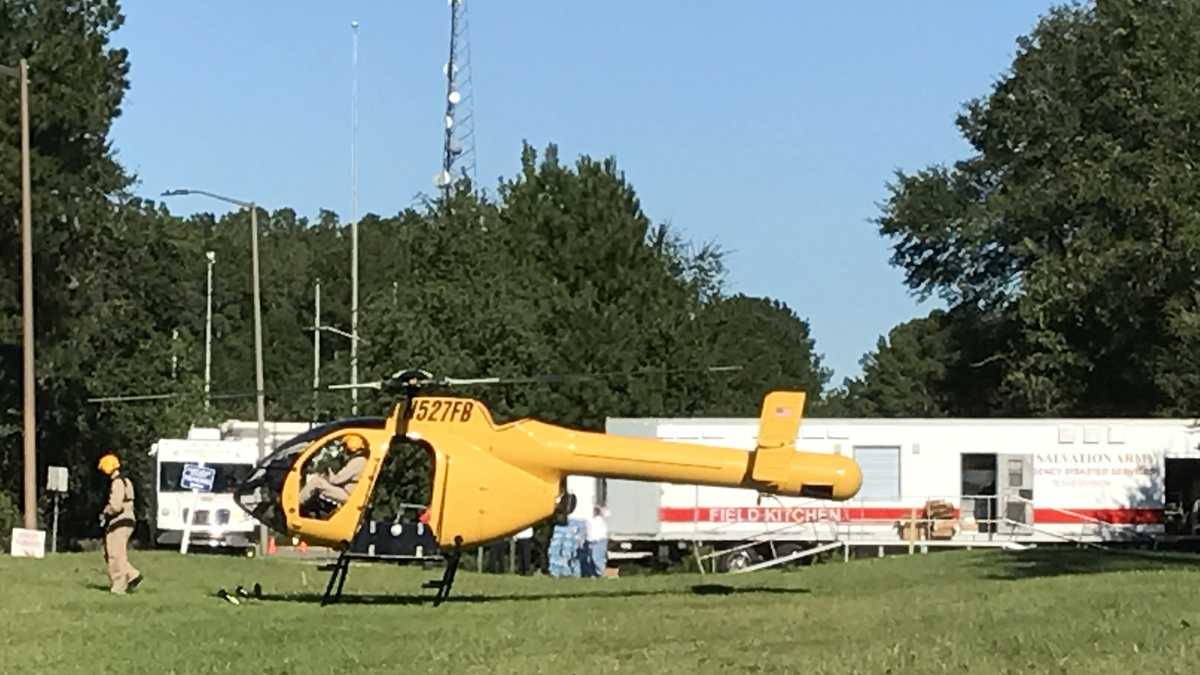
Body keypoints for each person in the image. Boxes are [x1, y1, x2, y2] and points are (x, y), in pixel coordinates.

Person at [97, 453, 143, 594]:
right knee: (120, 553)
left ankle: (119, 585)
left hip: (119, 521)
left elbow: (116, 506)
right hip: (129, 520)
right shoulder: (126, 481)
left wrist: (106, 511)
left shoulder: (116, 483)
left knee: (114, 554)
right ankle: (132, 574)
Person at [298, 434, 369, 511]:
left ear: (350, 448)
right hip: (348, 492)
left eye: (344, 447)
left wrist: (329, 468)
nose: (343, 450)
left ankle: (297, 504)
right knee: (321, 479)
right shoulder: (361, 460)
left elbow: (336, 480)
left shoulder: (358, 461)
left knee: (317, 482)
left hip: (347, 494)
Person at [584, 505, 610, 578]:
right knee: (590, 559)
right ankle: (593, 574)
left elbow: (608, 513)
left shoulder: (601, 519)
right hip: (590, 541)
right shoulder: (589, 519)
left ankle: (602, 574)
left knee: (597, 558)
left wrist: (601, 508)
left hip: (600, 541)